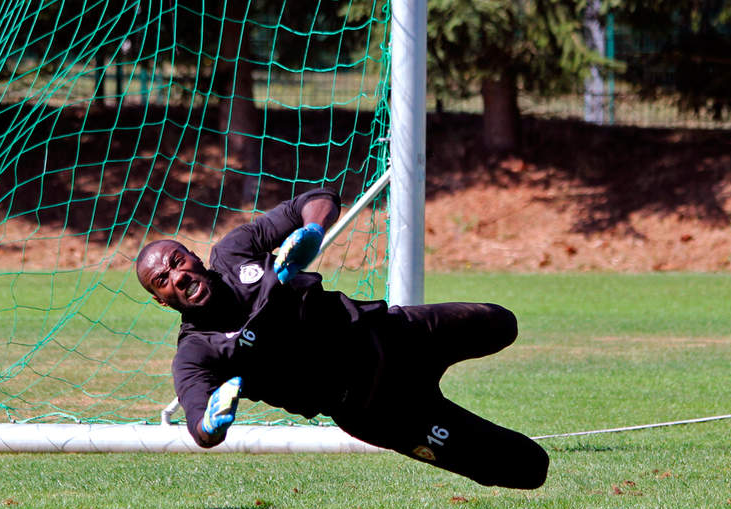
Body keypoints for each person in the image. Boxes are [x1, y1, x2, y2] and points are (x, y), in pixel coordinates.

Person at [135, 187, 548, 489]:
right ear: (161, 300)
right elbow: (199, 428)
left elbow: (316, 198)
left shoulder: (235, 251)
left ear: (193, 256)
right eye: (163, 280)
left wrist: (312, 229)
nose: (178, 276)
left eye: (177, 261)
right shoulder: (195, 353)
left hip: (389, 334)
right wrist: (212, 422)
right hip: (377, 408)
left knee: (500, 322)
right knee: (528, 468)